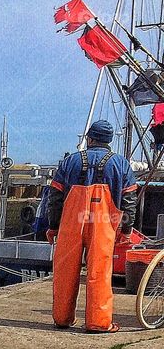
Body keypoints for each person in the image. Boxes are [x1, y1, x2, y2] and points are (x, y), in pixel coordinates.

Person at [46, 119, 138, 333]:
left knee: (65, 271)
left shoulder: (70, 161)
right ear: (109, 141)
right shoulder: (121, 164)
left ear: (89, 138)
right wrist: (126, 230)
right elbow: (129, 201)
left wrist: (53, 227)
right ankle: (98, 322)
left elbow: (55, 198)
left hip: (71, 223)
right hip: (103, 224)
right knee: (100, 271)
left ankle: (62, 318)